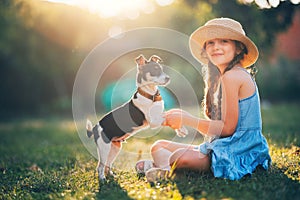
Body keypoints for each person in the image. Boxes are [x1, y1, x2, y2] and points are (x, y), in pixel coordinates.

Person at [135, 17, 271, 182]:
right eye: (210, 43)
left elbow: (227, 129)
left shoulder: (233, 76)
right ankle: (164, 168)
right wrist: (179, 115)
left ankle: (166, 170)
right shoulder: (221, 77)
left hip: (239, 150)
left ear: (238, 48)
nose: (216, 47)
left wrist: (187, 119)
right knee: (158, 146)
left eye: (224, 41)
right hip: (221, 146)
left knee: (179, 157)